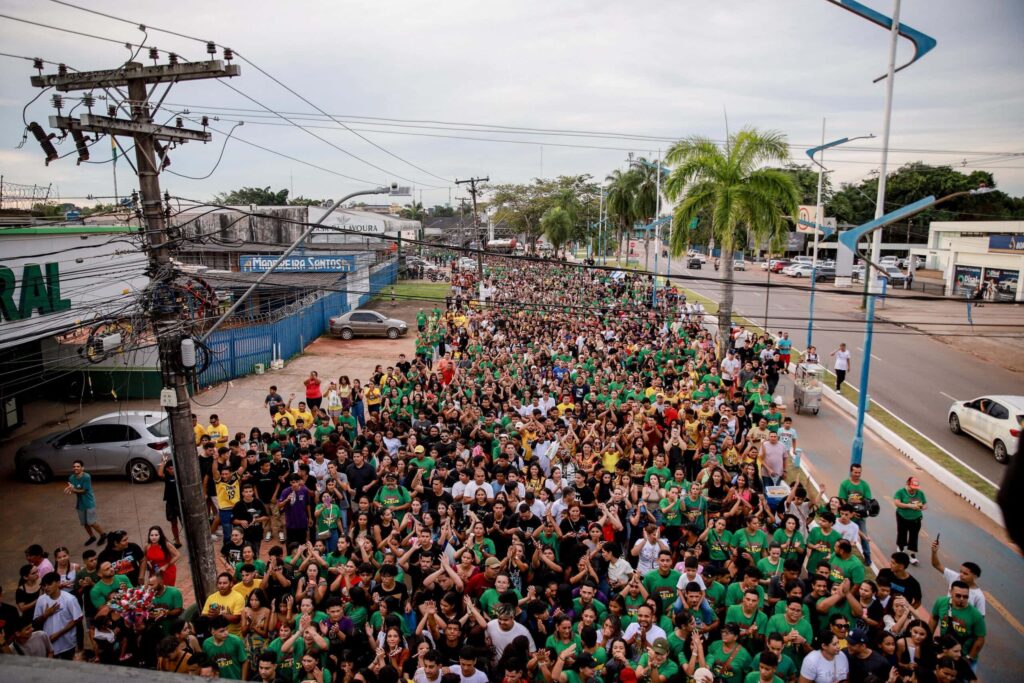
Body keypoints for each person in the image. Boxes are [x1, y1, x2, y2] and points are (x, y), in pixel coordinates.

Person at [32, 571, 82, 659]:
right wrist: (45, 615)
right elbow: (35, 622)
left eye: (49, 584)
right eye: (44, 586)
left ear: (58, 583)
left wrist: (58, 634)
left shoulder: (69, 599)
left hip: (67, 644)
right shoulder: (41, 599)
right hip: (49, 645)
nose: (46, 588)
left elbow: (78, 618)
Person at [929, 539, 985, 616]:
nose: (961, 575)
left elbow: (981, 616)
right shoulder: (955, 577)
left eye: (965, 573)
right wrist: (934, 552)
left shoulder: (978, 596)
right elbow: (936, 565)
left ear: (975, 576)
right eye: (961, 571)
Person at [65, 460, 106, 546]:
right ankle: (92, 537)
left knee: (92, 522)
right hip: (80, 503)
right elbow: (73, 487)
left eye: (78, 466)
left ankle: (103, 535)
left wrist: (73, 490)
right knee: (85, 523)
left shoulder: (87, 477)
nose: (75, 468)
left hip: (89, 502)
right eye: (74, 466)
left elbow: (84, 490)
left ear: (82, 468)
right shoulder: (71, 478)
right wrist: (70, 488)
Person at [203, 616, 249, 680]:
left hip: (235, 680)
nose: (226, 633)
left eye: (227, 629)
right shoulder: (206, 644)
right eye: (222, 631)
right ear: (213, 631)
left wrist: (243, 681)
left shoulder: (236, 641)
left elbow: (245, 661)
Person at [893, 477, 927, 564]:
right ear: (907, 484)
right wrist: (910, 506)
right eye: (912, 488)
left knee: (914, 536)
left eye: (915, 488)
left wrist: (921, 507)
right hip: (902, 517)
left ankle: (912, 554)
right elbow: (897, 503)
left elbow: (925, 504)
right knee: (902, 533)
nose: (913, 490)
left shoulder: (920, 493)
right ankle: (900, 548)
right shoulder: (900, 492)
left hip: (916, 519)